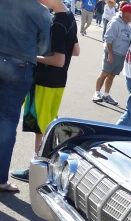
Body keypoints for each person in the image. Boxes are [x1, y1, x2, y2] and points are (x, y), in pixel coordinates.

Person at [11, 0, 80, 183]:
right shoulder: (69, 17)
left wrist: (29, 56)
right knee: (47, 125)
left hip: (45, 81)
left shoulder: (56, 22)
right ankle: (48, 166)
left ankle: (37, 170)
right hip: (58, 82)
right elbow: (75, 50)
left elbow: (58, 60)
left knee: (41, 128)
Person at [0, 0, 52, 193]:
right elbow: (45, 46)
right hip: (20, 65)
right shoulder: (42, 11)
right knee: (7, 120)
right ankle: (0, 179)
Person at [93, 4, 131, 105]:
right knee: (104, 73)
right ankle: (96, 93)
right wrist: (110, 53)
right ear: (126, 14)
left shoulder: (128, 27)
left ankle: (106, 95)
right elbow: (108, 39)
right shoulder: (115, 23)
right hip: (112, 53)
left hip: (121, 56)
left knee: (112, 75)